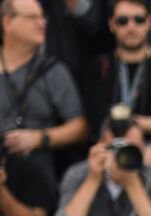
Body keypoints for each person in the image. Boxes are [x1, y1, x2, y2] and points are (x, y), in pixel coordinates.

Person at [82, 0, 151, 161]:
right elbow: (98, 120)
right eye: (123, 21)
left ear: (149, 22)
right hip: (108, 157)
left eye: (138, 20)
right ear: (112, 25)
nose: (131, 27)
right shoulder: (98, 68)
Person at [0, 0, 88, 186]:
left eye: (42, 17)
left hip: (34, 178)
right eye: (33, 18)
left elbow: (80, 128)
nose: (42, 23)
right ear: (7, 22)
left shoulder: (54, 71)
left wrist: (39, 138)